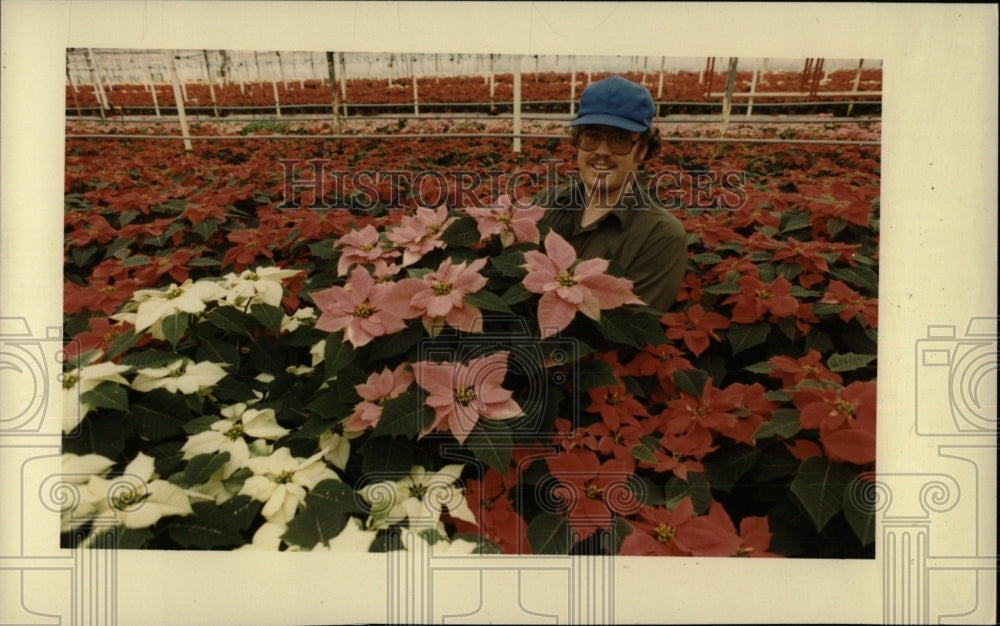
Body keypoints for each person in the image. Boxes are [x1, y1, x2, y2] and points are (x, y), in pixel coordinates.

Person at [536, 75, 687, 313]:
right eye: (592, 136)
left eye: (619, 139)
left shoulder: (661, 235)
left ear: (643, 149)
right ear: (577, 141)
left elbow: (629, 328)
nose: (602, 151)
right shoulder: (545, 203)